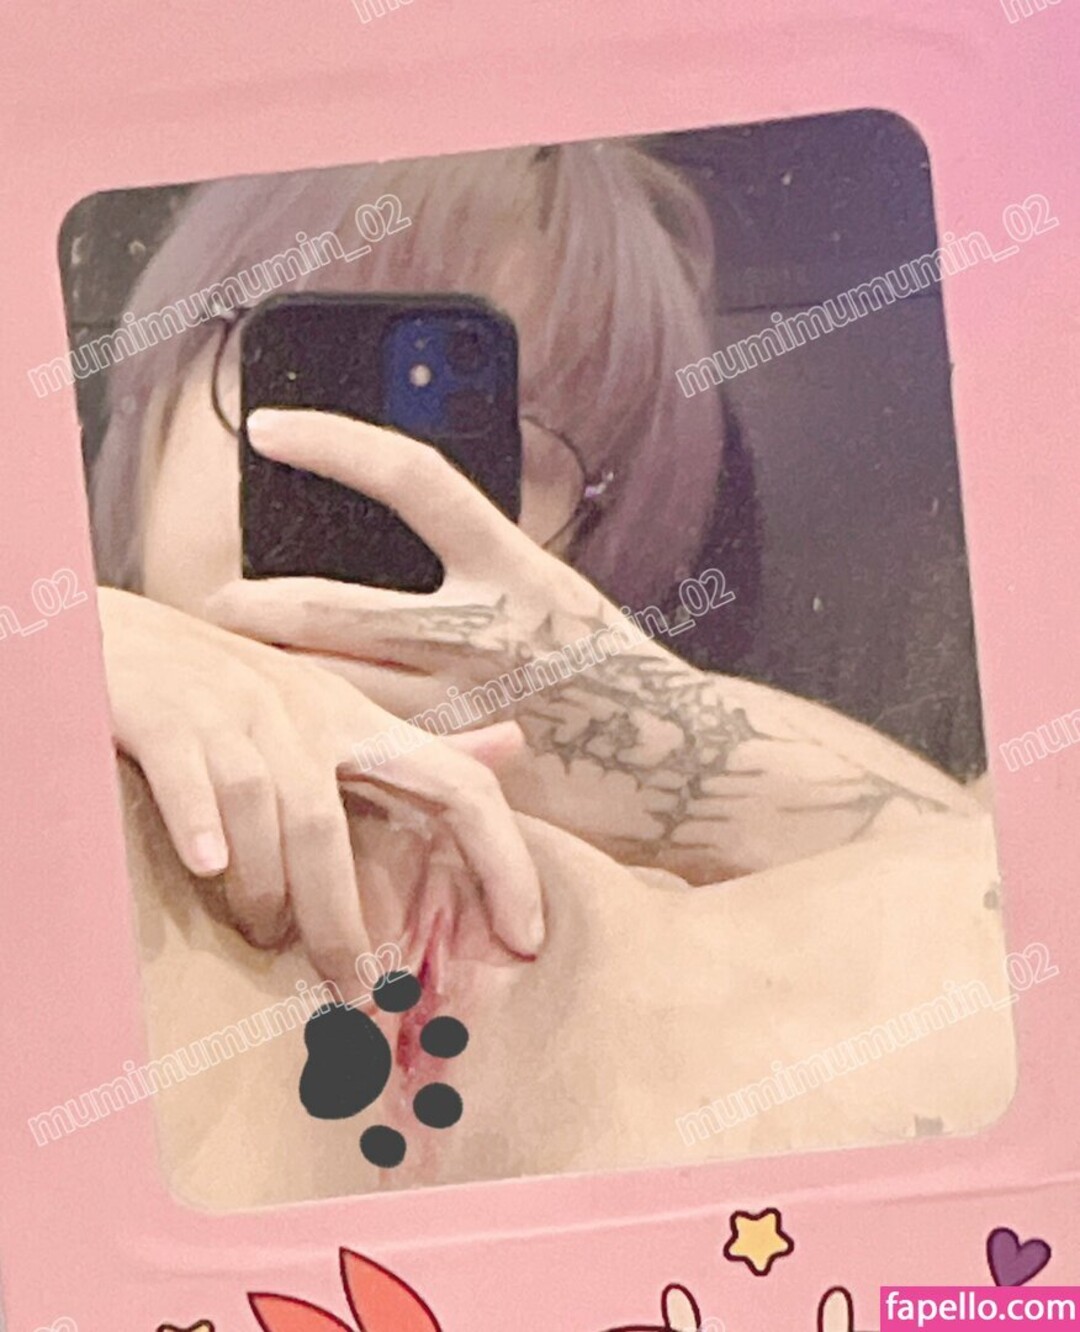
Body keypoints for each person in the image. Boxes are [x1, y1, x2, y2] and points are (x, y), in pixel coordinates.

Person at [83, 142, 1012, 1204]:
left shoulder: (655, 915)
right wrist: (58, 663)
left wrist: (660, 739)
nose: (382, 473)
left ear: (598, 556)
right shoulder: (57, 732)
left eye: (496, 439)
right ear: (147, 412)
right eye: (301, 373)